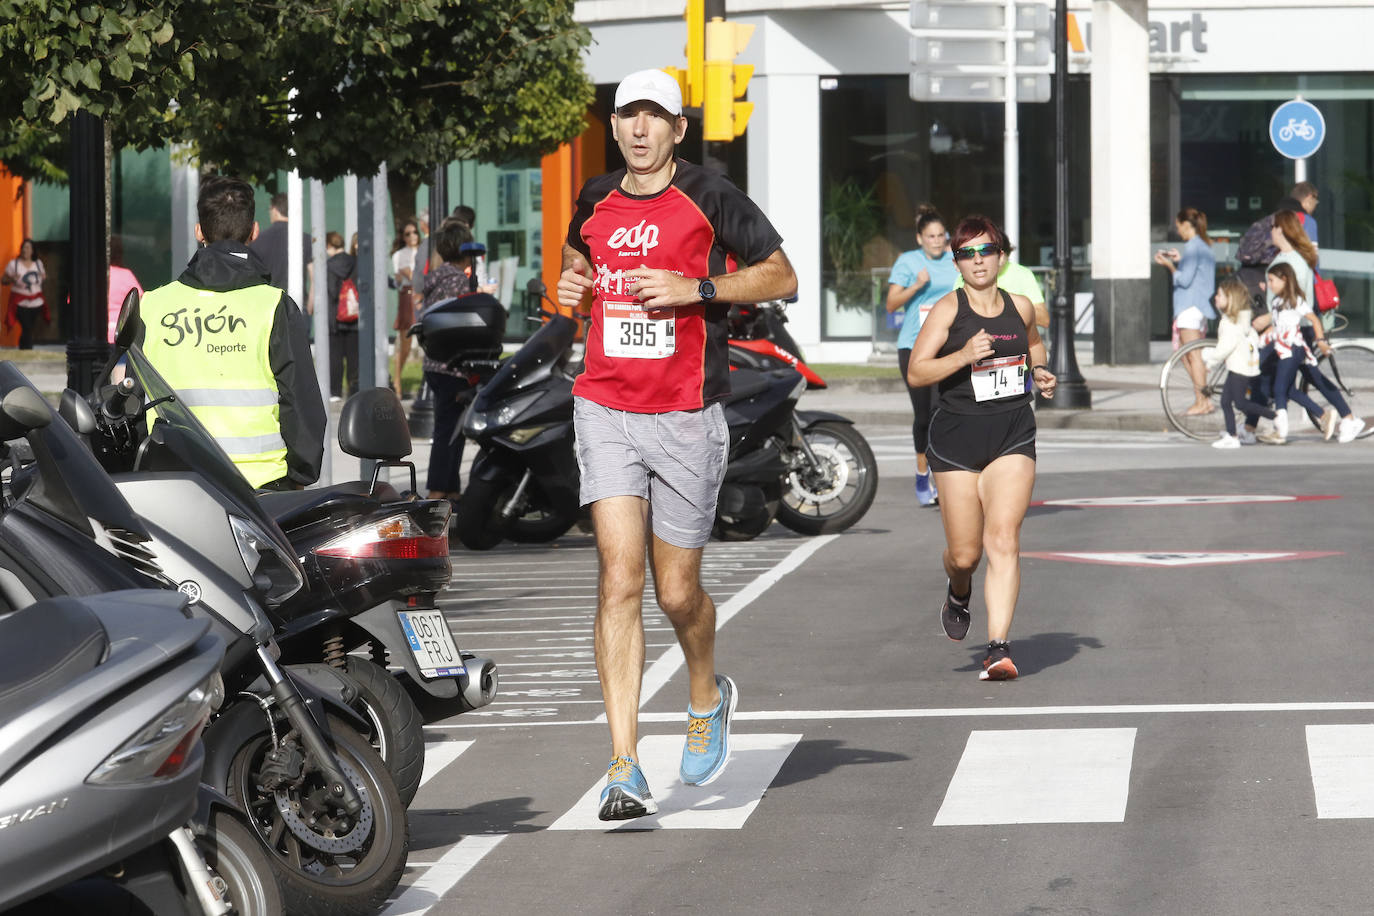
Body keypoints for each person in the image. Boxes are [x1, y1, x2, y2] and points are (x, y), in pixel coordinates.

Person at [556, 68, 797, 820]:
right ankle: (624, 763)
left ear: (677, 129)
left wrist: (698, 290)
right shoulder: (594, 197)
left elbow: (781, 275)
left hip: (686, 413)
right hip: (604, 404)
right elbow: (577, 270)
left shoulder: (710, 193)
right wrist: (571, 292)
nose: (637, 128)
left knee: (675, 592)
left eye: (653, 116)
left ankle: (705, 693)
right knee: (618, 580)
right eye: (627, 113)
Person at [906, 214, 1056, 681]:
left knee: (1004, 539)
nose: (977, 261)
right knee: (966, 554)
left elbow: (1034, 346)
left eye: (985, 251)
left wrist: (1042, 372)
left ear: (1000, 257)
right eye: (967, 253)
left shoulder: (1021, 306)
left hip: (1012, 433)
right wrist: (964, 355)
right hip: (956, 442)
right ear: (956, 263)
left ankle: (998, 647)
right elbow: (917, 372)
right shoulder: (948, 311)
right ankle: (957, 588)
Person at [140, 176, 326, 490]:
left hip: (173, 482)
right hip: (262, 487)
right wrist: (299, 477)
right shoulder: (274, 306)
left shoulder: (152, 306)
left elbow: (129, 396)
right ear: (254, 232)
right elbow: (300, 403)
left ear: (199, 230)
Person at [886, 204, 958, 507]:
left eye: (941, 235)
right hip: (913, 345)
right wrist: (917, 285)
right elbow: (891, 304)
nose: (937, 241)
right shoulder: (908, 261)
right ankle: (921, 471)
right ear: (920, 239)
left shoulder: (955, 261)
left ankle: (943, 474)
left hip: (947, 346)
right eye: (931, 236)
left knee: (945, 409)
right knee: (924, 414)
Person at [420, 218, 494, 501]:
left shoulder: (436, 278)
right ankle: (438, 489)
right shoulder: (459, 283)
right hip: (453, 366)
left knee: (451, 430)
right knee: (448, 432)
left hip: (435, 364)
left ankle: (450, 488)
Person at [1154, 207, 1216, 416]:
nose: (1178, 230)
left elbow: (1184, 279)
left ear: (1186, 225)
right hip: (1197, 306)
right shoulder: (1203, 246)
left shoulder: (1193, 248)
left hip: (1189, 307)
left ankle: (1202, 400)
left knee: (1193, 355)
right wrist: (1180, 260)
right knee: (1185, 354)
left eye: (1179, 225)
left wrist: (1171, 266)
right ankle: (1202, 397)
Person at [1202, 277, 1275, 449]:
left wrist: (1209, 360)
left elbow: (1223, 349)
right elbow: (1253, 339)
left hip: (1238, 369)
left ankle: (1274, 416)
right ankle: (1232, 434)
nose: (1216, 298)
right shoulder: (1242, 320)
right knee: (1226, 402)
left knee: (1240, 403)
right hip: (1242, 366)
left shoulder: (1228, 323)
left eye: (1220, 295)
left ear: (1230, 299)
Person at [248, 191, 313, 307]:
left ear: (274, 209)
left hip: (268, 305)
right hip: (298, 306)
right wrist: (311, 304)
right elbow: (313, 276)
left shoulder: (258, 240)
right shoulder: (306, 239)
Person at [324, 231, 359, 401]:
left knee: (335, 357)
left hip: (335, 317)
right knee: (354, 356)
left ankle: (335, 392)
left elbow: (331, 291)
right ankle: (354, 390)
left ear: (329, 245)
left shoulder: (329, 265)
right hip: (354, 315)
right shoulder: (354, 262)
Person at [392, 219, 422, 397]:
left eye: (414, 232)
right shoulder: (399, 255)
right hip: (408, 295)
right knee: (405, 342)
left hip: (422, 295)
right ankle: (397, 379)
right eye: (407, 234)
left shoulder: (424, 251)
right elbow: (403, 276)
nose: (412, 236)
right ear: (403, 237)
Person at [2, 238, 47, 349]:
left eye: (27, 248)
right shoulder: (14, 264)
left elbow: (42, 277)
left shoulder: (38, 263)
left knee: (29, 328)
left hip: (36, 302)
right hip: (20, 302)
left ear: (32, 250)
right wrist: (12, 279)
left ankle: (24, 349)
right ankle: (28, 349)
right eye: (23, 247)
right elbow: (3, 280)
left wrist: (43, 278)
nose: (24, 250)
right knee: (26, 327)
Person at [107, 235, 144, 344]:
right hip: (122, 335)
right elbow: (141, 302)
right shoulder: (126, 275)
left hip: (95, 336)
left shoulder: (89, 277)